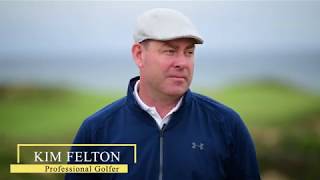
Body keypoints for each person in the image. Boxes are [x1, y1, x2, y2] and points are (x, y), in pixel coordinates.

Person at [65, 8, 260, 180]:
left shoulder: (226, 125)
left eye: (189, 52)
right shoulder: (96, 130)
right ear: (139, 55)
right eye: (170, 51)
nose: (182, 63)